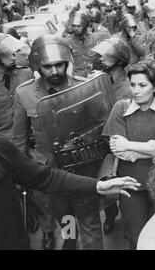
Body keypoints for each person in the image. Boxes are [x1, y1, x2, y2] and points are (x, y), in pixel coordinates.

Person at [12, 35, 106, 250]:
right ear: (36, 66)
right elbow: (20, 140)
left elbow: (101, 130)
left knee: (90, 222)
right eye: (47, 66)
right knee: (66, 219)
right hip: (49, 172)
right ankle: (70, 242)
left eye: (59, 65)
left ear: (67, 63)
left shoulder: (85, 88)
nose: (54, 72)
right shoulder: (24, 93)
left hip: (83, 168)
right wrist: (23, 172)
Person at [0, 137, 140, 250]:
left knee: (89, 221)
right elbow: (20, 140)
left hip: (80, 171)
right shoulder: (26, 97)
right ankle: (69, 238)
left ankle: (107, 218)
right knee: (65, 215)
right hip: (49, 167)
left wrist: (97, 184)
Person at [102, 60, 155, 249]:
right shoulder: (120, 108)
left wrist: (130, 145)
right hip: (130, 184)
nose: (136, 90)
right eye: (132, 85)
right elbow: (119, 151)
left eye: (142, 85)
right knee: (135, 238)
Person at [0, 34, 32, 139]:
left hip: (29, 141)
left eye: (13, 51)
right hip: (3, 146)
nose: (13, 56)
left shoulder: (26, 74)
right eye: (6, 52)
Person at [63, 11, 110, 77]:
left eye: (79, 26)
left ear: (85, 26)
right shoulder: (67, 42)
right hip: (77, 79)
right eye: (74, 26)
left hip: (95, 76)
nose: (76, 29)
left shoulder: (96, 38)